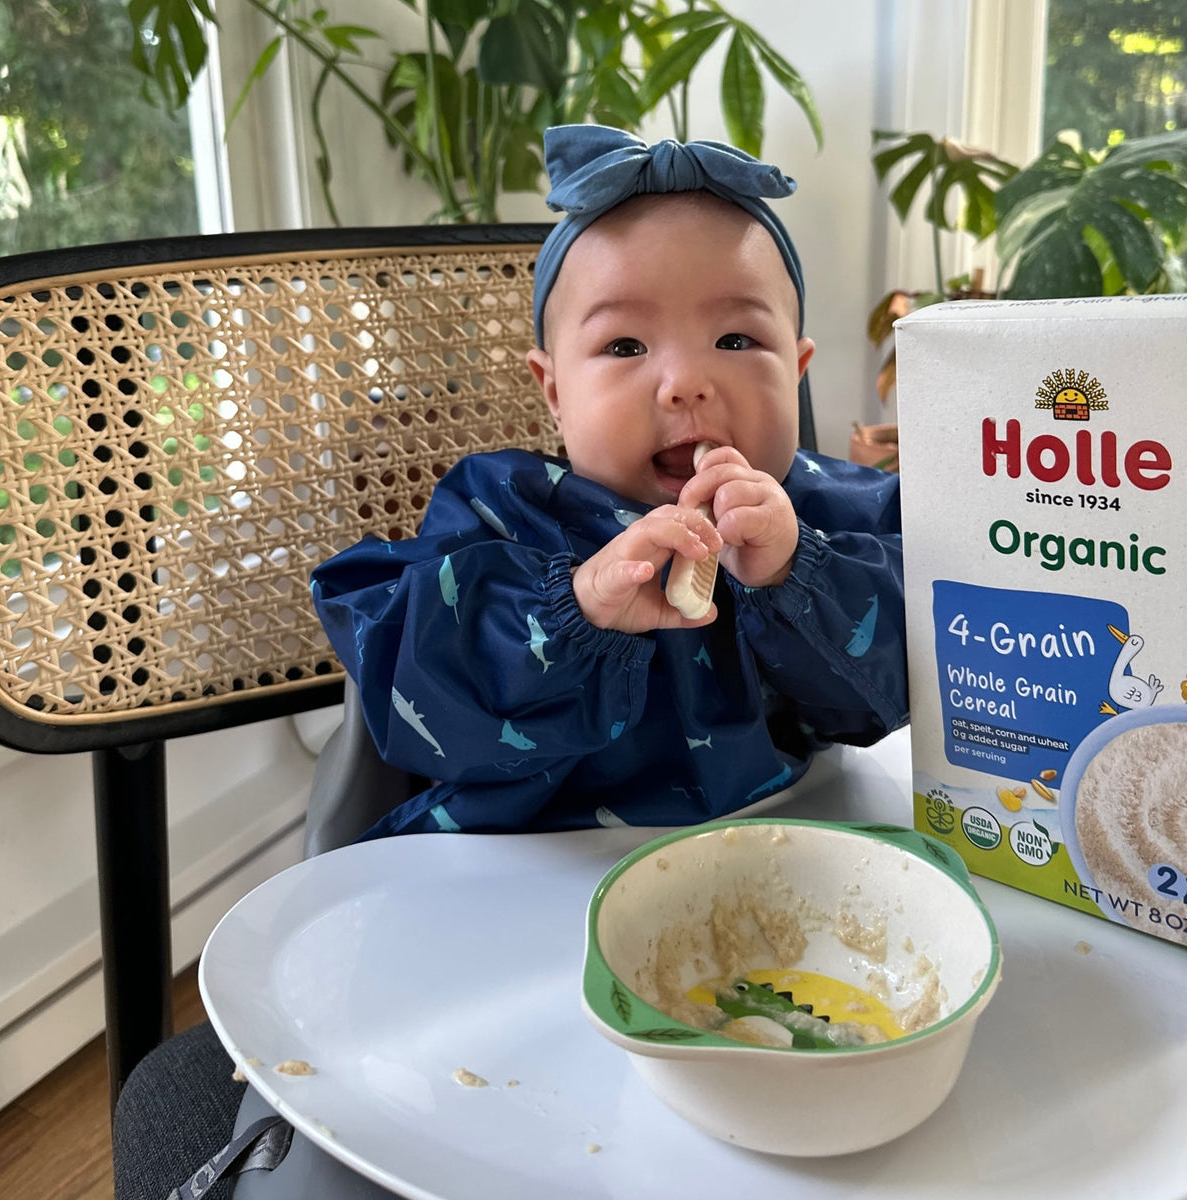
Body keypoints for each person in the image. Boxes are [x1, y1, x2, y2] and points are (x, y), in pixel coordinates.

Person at [310, 124, 907, 837]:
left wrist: (796, 573)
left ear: (797, 369)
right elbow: (416, 688)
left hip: (783, 845)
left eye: (736, 340)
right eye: (625, 345)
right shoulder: (501, 508)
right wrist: (573, 611)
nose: (685, 383)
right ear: (554, 389)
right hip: (538, 862)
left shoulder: (818, 511)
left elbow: (923, 675)